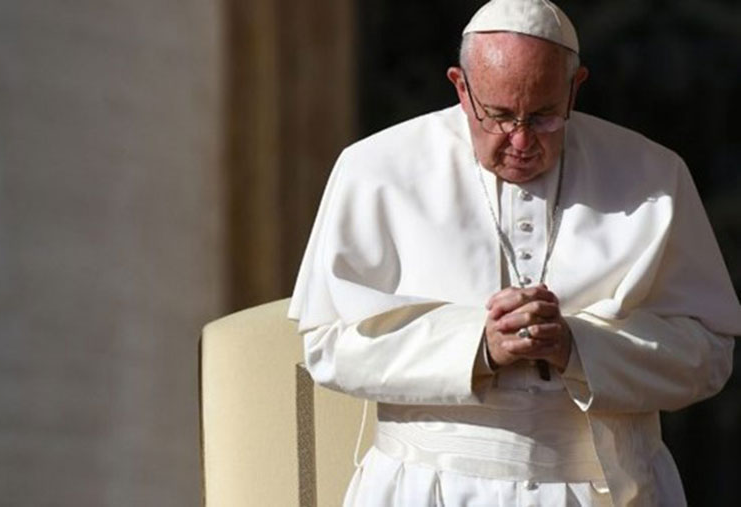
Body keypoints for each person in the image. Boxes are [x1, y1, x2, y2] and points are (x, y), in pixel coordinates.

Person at [287, 0, 741, 505]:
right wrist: (477, 347)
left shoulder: (654, 176)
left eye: (544, 116)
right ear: (460, 86)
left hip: (605, 490)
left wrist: (577, 347)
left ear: (576, 87)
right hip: (429, 488)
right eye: (499, 116)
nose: (521, 140)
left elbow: (709, 356)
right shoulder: (374, 170)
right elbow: (327, 347)